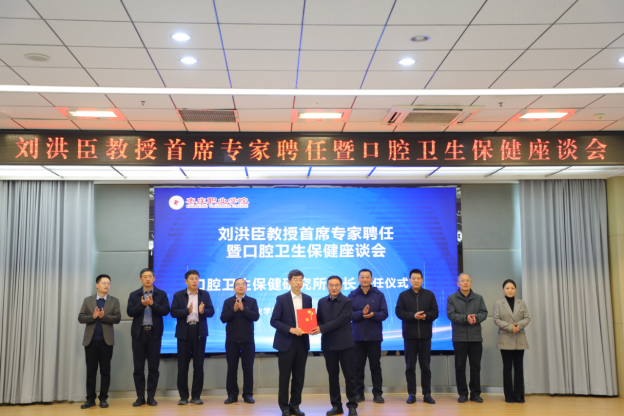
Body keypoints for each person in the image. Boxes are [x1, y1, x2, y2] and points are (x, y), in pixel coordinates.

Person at [310, 276, 358, 416]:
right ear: (327, 286)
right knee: (333, 377)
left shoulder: (347, 301)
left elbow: (341, 320)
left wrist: (321, 328)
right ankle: (336, 406)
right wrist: (312, 325)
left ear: (341, 286)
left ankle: (352, 406)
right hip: (328, 344)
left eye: (337, 285)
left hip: (345, 344)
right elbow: (319, 319)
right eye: (331, 285)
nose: (334, 287)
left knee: (350, 376)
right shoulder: (321, 301)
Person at [270, 270, 312, 416]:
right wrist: (290, 329)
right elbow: (274, 321)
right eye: (295, 279)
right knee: (285, 376)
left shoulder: (307, 298)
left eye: (301, 279)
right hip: (286, 342)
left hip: (302, 342)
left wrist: (311, 327)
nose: (298, 282)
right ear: (289, 282)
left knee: (299, 377)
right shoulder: (282, 299)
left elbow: (309, 319)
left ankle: (295, 405)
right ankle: (284, 407)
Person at [127, 268, 170, 407]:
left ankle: (151, 397)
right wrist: (142, 305)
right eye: (145, 277)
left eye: (150, 276)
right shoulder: (134, 295)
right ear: (141, 279)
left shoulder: (161, 294)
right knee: (138, 368)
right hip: (138, 334)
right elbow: (130, 312)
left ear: (154, 278)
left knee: (153, 367)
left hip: (154, 334)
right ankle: (140, 397)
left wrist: (152, 304)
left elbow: (166, 310)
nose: (147, 279)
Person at [170, 269, 215, 405]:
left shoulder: (205, 294)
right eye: (192, 278)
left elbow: (211, 311)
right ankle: (183, 397)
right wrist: (187, 311)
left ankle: (196, 396)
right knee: (182, 366)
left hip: (199, 332)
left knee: (198, 366)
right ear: (186, 281)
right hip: (184, 332)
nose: (195, 281)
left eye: (196, 278)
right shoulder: (179, 295)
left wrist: (203, 311)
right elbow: (173, 312)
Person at [395, 268, 439, 404]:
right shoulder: (403, 295)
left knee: (425, 366)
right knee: (410, 366)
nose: (416, 280)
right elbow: (399, 312)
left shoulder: (429, 295)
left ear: (422, 280)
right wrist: (413, 316)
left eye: (418, 278)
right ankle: (411, 394)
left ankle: (427, 394)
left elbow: (435, 312)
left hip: (425, 336)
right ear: (409, 280)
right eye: (413, 278)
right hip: (409, 336)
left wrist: (425, 316)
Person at [77, 274, 121, 409]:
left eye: (108, 283)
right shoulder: (88, 300)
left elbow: (117, 318)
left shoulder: (114, 301)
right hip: (90, 341)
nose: (106, 285)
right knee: (91, 372)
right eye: (103, 283)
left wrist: (104, 316)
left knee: (105, 371)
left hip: (106, 342)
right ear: (97, 285)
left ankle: (103, 399)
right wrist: (93, 316)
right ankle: (90, 399)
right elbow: (81, 318)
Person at [348, 268, 388, 403]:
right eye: (362, 277)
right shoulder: (352, 295)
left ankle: (377, 394)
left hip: (374, 337)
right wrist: (361, 313)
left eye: (367, 277)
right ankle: (359, 393)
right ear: (358, 279)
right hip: (357, 337)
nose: (365, 279)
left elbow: (384, 313)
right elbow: (348, 315)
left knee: (375, 366)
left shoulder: (379, 295)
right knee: (357, 367)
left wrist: (373, 315)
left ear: (371, 279)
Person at [447, 273, 488, 404]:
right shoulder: (452, 298)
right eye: (462, 280)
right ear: (458, 283)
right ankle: (463, 393)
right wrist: (466, 318)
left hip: (476, 338)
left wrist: (475, 317)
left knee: (475, 367)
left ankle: (475, 393)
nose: (465, 283)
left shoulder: (478, 298)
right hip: (459, 338)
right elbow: (451, 314)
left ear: (471, 283)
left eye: (468, 280)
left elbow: (484, 313)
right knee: (460, 367)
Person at [220, 278, 260, 404]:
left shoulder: (252, 301)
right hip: (231, 340)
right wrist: (234, 309)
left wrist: (243, 309)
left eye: (243, 284)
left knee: (248, 368)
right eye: (238, 284)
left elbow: (256, 316)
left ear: (246, 287)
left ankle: (248, 395)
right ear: (234, 288)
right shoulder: (228, 302)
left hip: (247, 340)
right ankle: (232, 395)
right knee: (232, 369)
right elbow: (223, 318)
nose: (241, 286)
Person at [493, 279, 530, 403]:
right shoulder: (498, 303)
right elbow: (496, 319)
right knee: (507, 368)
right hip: (505, 338)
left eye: (512, 288)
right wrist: (511, 327)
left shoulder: (521, 303)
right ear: (503, 290)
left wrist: (518, 326)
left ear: (515, 290)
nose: (510, 290)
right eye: (507, 288)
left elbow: (527, 318)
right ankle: (509, 396)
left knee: (519, 368)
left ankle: (519, 396)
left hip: (520, 337)